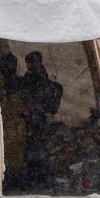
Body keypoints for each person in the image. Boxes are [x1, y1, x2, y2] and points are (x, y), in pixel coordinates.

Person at [18, 51, 62, 190]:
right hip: (36, 118)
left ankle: (36, 178)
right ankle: (39, 178)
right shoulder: (35, 77)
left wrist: (33, 106)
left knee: (34, 148)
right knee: (37, 148)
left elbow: (39, 98)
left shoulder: (35, 77)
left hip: (35, 118)